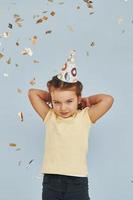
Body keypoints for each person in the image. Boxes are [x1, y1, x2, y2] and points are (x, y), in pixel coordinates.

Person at [28, 50, 114, 200]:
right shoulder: (50, 116)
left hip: (77, 182)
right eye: (57, 103)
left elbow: (108, 100)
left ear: (78, 99)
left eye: (69, 101)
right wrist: (54, 95)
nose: (63, 108)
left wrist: (87, 101)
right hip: (51, 181)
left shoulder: (85, 116)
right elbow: (32, 93)